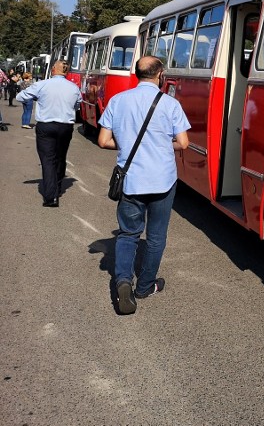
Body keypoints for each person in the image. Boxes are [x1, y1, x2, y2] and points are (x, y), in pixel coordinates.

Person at [98, 56, 190, 315]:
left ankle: (123, 282)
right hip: (163, 180)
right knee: (156, 236)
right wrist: (161, 144)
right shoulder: (170, 104)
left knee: (128, 234)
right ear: (160, 74)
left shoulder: (118, 101)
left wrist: (127, 145)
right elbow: (183, 143)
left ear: (136, 73)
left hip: (132, 180)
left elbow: (103, 141)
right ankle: (145, 286)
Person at [16, 60, 82, 207]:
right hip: (66, 126)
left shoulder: (42, 85)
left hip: (46, 125)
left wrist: (36, 97)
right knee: (60, 157)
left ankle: (51, 196)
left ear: (53, 70)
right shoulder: (74, 87)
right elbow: (78, 105)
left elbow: (20, 97)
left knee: (47, 160)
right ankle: (57, 187)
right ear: (66, 72)